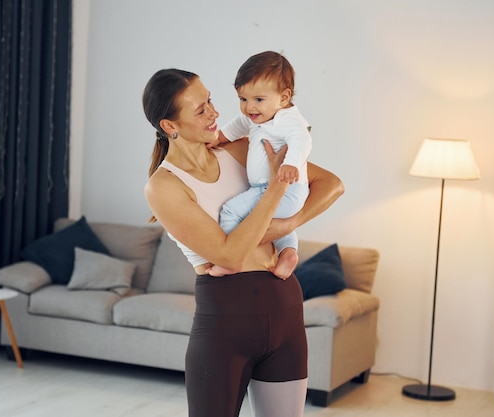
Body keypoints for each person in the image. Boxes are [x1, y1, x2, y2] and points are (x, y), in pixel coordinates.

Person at [142, 68, 343, 417]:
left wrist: (288, 224)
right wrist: (277, 188)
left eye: (210, 101)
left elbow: (331, 184)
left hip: (284, 310)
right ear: (170, 126)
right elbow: (231, 257)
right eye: (200, 109)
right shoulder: (165, 186)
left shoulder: (238, 150)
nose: (214, 113)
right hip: (225, 322)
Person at [206, 51, 311, 279]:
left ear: (284, 97)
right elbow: (232, 129)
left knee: (232, 211)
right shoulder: (258, 116)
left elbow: (301, 139)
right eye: (243, 99)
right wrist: (217, 139)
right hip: (278, 192)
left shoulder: (287, 119)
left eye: (258, 100)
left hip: (283, 189)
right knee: (276, 224)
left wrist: (291, 164)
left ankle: (232, 259)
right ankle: (288, 254)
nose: (249, 107)